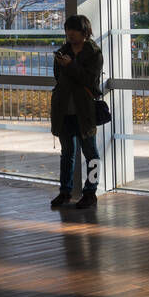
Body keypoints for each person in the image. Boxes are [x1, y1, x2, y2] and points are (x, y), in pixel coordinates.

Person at [49, 14, 104, 210]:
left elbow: (89, 80)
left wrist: (71, 66)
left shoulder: (93, 53)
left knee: (91, 153)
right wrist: (68, 68)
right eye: (67, 31)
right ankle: (65, 191)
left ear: (84, 32)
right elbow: (59, 78)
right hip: (64, 110)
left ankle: (91, 192)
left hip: (84, 111)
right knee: (67, 154)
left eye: (74, 31)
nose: (70, 35)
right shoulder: (62, 51)